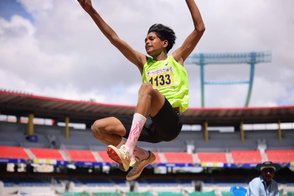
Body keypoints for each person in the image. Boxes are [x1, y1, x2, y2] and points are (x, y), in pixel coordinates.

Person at [77, 0, 205, 181]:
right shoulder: (143, 63)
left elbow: (200, 29)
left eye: (151, 38)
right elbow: (115, 39)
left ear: (164, 42)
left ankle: (128, 150)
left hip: (170, 123)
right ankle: (143, 155)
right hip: (148, 124)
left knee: (147, 88)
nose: (146, 42)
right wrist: (91, 11)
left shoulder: (176, 58)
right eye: (145, 39)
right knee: (99, 128)